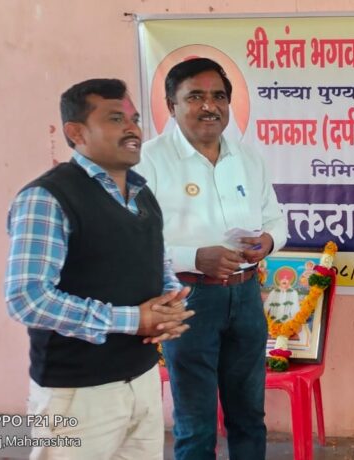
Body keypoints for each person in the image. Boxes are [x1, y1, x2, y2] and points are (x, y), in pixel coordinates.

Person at [5, 78, 194, 459]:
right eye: (115, 119)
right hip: (78, 394)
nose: (133, 129)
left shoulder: (141, 194)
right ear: (76, 133)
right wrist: (133, 320)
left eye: (135, 119)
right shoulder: (48, 197)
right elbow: (27, 299)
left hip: (142, 381)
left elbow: (156, 262)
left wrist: (170, 305)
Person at [136, 57, 288, 459]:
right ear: (171, 105)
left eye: (218, 96)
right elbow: (132, 243)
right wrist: (193, 257)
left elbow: (276, 220)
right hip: (188, 300)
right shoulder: (148, 162)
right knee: (195, 423)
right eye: (195, 97)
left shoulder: (248, 158)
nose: (209, 106)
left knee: (249, 416)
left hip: (246, 297)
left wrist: (267, 241)